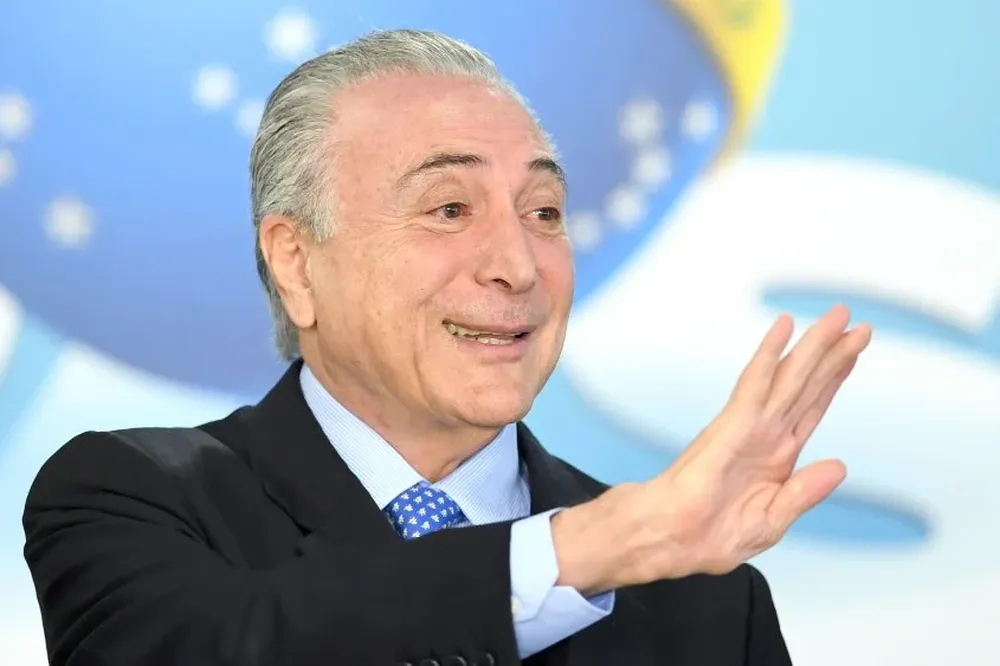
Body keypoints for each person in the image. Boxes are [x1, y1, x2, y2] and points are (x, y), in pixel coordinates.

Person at [22, 29, 871, 666]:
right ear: (296, 261)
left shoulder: (708, 605)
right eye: (449, 209)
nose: (518, 265)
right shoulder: (130, 498)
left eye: (543, 212)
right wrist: (591, 549)